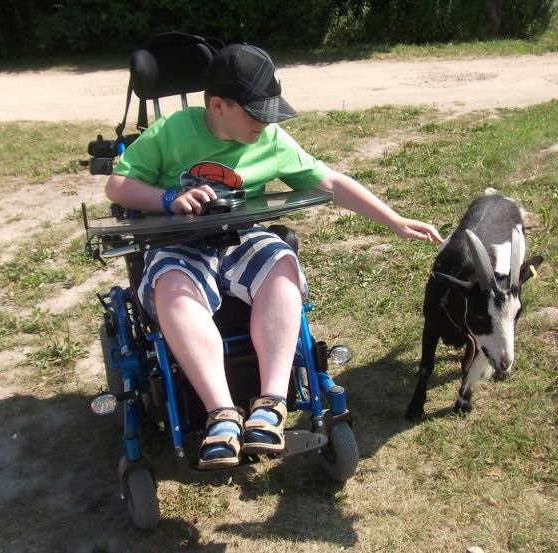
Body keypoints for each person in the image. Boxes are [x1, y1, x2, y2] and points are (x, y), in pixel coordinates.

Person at [106, 43, 441, 470]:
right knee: (171, 288)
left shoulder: (271, 139)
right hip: (177, 242)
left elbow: (330, 183)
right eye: (256, 113)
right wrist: (168, 199)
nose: (267, 123)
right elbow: (118, 186)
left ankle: (271, 406)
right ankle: (221, 414)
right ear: (218, 105)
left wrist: (394, 220)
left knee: (282, 265)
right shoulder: (171, 131)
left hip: (242, 237)